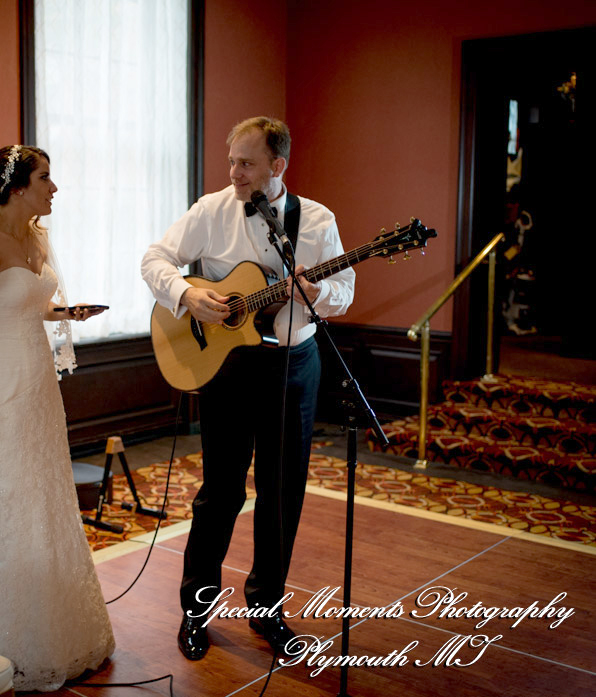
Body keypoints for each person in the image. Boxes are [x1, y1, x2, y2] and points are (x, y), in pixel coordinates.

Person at [141, 116, 355, 660]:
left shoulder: (316, 220)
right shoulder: (210, 211)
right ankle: (196, 611)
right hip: (230, 369)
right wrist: (188, 297)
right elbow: (155, 259)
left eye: (246, 163)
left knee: (283, 494)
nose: (233, 172)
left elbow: (344, 292)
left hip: (294, 365)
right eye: (231, 160)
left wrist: (317, 292)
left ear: (277, 166)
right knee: (221, 493)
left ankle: (267, 610)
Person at [0, 146, 114, 690]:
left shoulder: (35, 235)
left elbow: (29, 304)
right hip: (1, 385)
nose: (54, 189)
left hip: (39, 386)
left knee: (44, 489)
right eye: (45, 179)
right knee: (3, 492)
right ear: (15, 187)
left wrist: (64, 312)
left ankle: (57, 622)